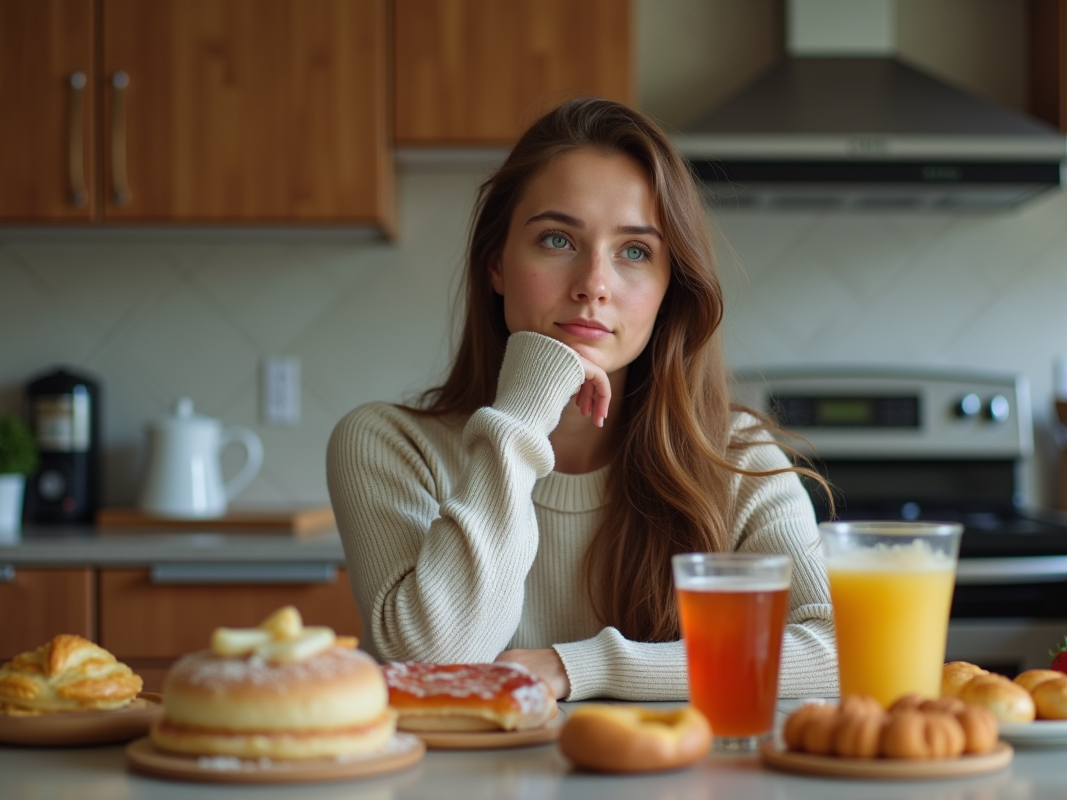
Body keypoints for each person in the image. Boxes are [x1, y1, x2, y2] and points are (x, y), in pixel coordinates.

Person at [327, 98, 837, 702]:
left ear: (669, 288)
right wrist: (521, 415)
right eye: (556, 239)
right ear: (496, 264)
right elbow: (438, 665)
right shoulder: (390, 445)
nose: (594, 283)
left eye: (635, 251)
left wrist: (583, 667)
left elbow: (836, 650)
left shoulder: (738, 456)